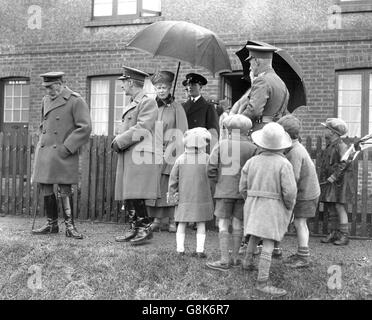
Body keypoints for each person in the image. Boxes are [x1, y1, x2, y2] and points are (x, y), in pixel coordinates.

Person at [32, 72, 92, 239]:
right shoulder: (45, 100)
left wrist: (67, 147)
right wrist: (41, 140)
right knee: (45, 186)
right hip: (46, 150)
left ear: (59, 84)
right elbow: (43, 124)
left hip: (63, 151)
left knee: (65, 188)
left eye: (50, 87)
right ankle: (51, 224)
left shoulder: (75, 100)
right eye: (46, 88)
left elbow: (85, 127)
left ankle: (70, 227)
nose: (48, 91)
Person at [239, 122, 297, 297]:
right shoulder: (284, 164)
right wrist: (289, 207)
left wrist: (250, 200)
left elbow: (242, 187)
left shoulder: (251, 162)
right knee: (269, 241)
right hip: (273, 207)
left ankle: (247, 262)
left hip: (253, 204)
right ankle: (262, 282)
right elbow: (290, 192)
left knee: (254, 234)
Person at [112, 66, 160, 245]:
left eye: (123, 82)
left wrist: (119, 141)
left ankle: (144, 228)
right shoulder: (134, 102)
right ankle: (134, 228)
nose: (122, 86)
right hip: (131, 152)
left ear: (131, 82)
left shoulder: (147, 102)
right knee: (130, 192)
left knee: (136, 192)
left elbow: (143, 128)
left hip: (139, 153)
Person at [206, 115, 257, 271]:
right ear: (247, 130)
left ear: (228, 129)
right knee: (237, 224)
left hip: (223, 191)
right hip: (243, 193)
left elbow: (211, 168)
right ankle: (235, 259)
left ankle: (224, 260)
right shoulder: (253, 148)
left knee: (223, 223)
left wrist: (218, 183)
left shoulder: (221, 145)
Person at [146, 71, 188, 233]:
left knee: (170, 185)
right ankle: (157, 219)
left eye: (164, 87)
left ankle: (171, 220)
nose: (161, 90)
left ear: (170, 88)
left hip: (171, 152)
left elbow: (182, 132)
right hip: (153, 151)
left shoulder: (177, 108)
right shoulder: (151, 106)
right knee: (156, 186)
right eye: (158, 88)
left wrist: (172, 151)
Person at [277, 115, 320, 268]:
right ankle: (301, 254)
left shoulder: (295, 152)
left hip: (306, 194)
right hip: (306, 191)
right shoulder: (295, 147)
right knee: (299, 223)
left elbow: (292, 178)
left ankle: (303, 257)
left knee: (300, 223)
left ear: (286, 134)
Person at [168, 127, 214, 258]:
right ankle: (200, 251)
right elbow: (213, 176)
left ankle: (180, 250)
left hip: (184, 197)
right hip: (202, 197)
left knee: (181, 223)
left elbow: (173, 180)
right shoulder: (207, 158)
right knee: (201, 223)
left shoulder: (180, 159)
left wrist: (172, 194)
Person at [238, 45, 289, 132]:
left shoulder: (262, 81)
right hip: (276, 132)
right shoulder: (281, 83)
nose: (250, 68)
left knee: (235, 144)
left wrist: (237, 122)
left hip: (260, 133)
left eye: (250, 63)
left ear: (257, 61)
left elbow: (253, 111)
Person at [318, 118, 352, 246]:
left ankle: (344, 235)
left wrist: (334, 176)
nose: (324, 130)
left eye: (326, 128)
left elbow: (345, 162)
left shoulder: (341, 145)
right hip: (332, 182)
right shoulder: (330, 145)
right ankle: (333, 232)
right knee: (331, 206)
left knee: (339, 206)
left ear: (333, 133)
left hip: (340, 182)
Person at [182, 73, 220, 149]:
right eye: (188, 85)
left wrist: (210, 149)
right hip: (185, 145)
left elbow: (213, 131)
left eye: (193, 85)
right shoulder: (182, 106)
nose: (190, 87)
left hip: (200, 147)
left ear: (200, 87)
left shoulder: (208, 107)